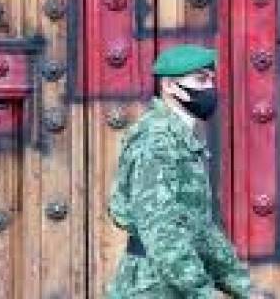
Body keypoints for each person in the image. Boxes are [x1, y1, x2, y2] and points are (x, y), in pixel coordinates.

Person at [105, 44, 264, 298]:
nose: (209, 88)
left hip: (176, 284)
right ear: (169, 86)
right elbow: (162, 232)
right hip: (152, 288)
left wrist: (246, 289)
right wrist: (204, 292)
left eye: (211, 80)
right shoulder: (155, 140)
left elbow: (202, 231)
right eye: (200, 80)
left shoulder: (180, 139)